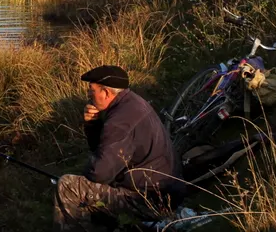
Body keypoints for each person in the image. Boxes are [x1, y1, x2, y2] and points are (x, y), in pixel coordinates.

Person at [55, 66, 185, 231]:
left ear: (107, 93)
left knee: (68, 185)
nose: (89, 96)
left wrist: (86, 174)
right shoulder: (132, 102)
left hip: (152, 200)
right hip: (166, 190)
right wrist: (92, 125)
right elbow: (105, 153)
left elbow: (100, 173)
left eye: (91, 91)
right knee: (90, 189)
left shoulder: (120, 121)